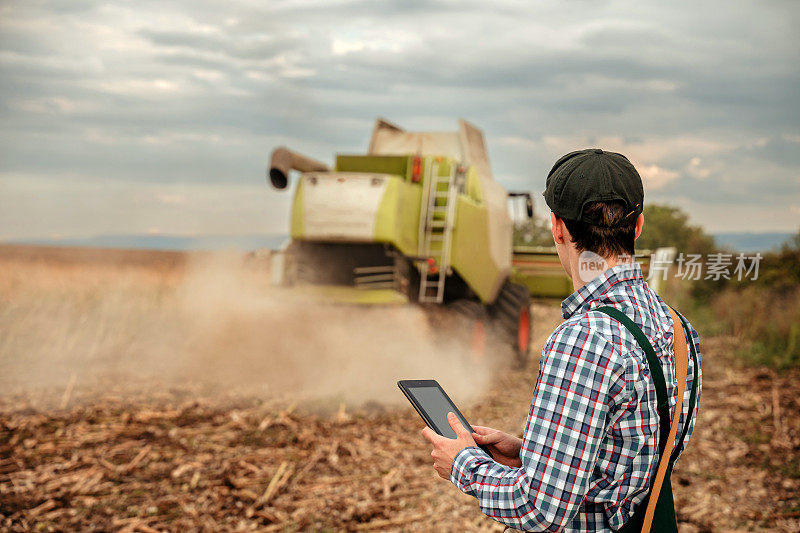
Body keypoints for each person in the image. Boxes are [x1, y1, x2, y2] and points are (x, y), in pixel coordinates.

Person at [421, 148, 702, 532]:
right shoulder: (678, 327)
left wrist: (463, 464)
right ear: (637, 227)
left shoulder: (584, 339)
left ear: (557, 226)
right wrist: (530, 453)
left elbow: (538, 510)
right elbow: (637, 458)